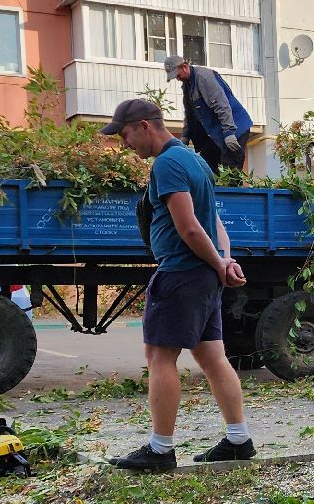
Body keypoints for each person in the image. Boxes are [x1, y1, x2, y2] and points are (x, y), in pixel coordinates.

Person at [100, 98, 257, 470]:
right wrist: (224, 259)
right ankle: (239, 439)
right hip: (202, 274)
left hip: (181, 273)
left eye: (125, 135)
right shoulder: (194, 159)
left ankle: (160, 449)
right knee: (212, 357)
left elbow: (189, 226)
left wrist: (219, 261)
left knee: (159, 356)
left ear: (144, 126)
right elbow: (212, 220)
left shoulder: (168, 162)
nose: (125, 144)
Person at [165, 55, 253, 177]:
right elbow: (190, 114)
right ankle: (213, 191)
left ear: (184, 67)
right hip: (217, 132)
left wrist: (229, 132)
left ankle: (231, 192)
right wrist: (185, 136)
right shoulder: (187, 84)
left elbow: (222, 105)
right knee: (206, 163)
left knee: (231, 168)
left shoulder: (204, 77)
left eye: (178, 75)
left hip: (234, 127)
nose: (178, 79)